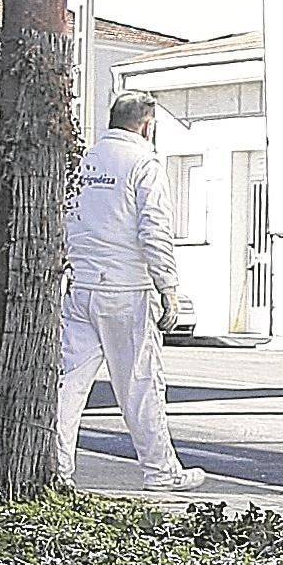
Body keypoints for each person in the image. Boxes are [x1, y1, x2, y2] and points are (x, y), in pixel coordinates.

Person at [59, 90, 203, 490]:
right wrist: (168, 288)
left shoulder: (85, 161)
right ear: (147, 123)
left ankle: (57, 469)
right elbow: (154, 230)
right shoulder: (144, 163)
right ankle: (161, 472)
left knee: (68, 385)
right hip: (126, 289)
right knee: (141, 383)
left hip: (79, 286)